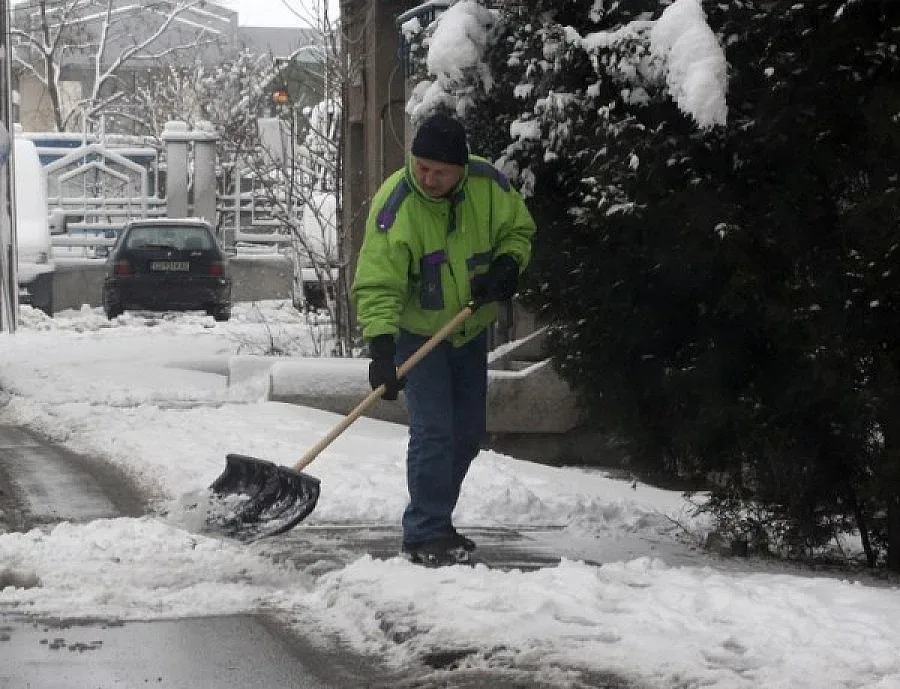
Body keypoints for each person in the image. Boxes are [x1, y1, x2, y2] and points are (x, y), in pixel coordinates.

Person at [351, 112, 537, 567]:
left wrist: (506, 267)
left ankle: (437, 520)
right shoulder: (396, 206)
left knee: (467, 434)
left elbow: (520, 232)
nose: (427, 178)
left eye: (439, 171)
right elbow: (378, 283)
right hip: (416, 335)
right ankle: (425, 530)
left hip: (468, 330)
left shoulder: (489, 186)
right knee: (434, 431)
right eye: (421, 167)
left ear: (460, 167)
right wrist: (381, 348)